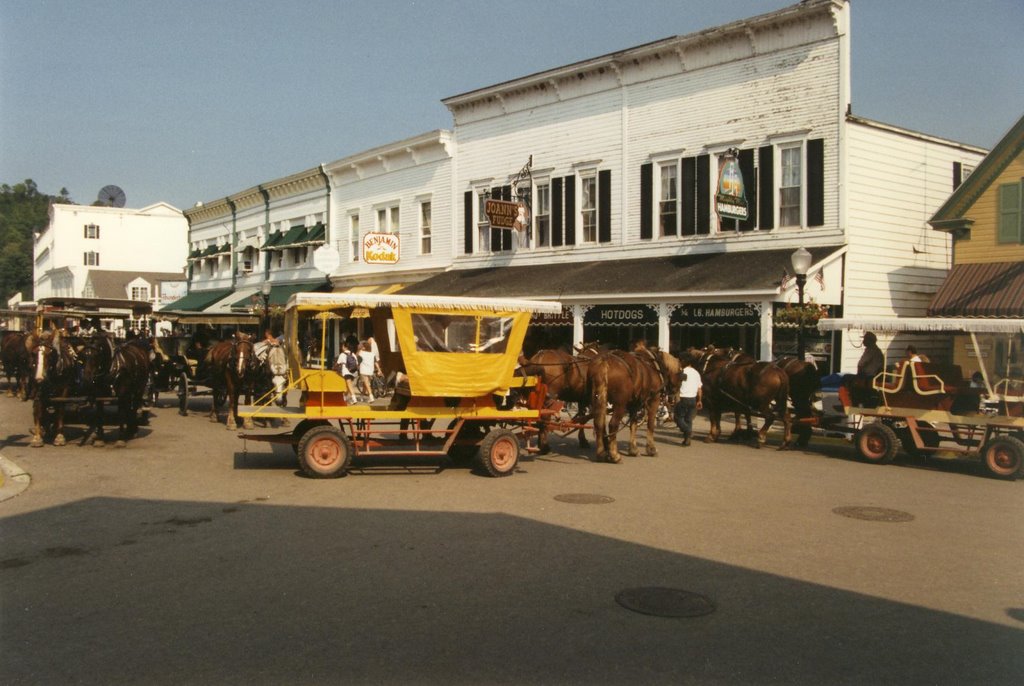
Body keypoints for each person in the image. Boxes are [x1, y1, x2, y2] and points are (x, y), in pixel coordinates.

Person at [674, 355, 703, 447]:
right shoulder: (696, 373)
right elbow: (699, 389)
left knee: (678, 418)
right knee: (688, 419)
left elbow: (676, 386)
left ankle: (688, 431)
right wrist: (699, 400)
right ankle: (687, 440)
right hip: (693, 399)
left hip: (683, 398)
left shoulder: (681, 373)